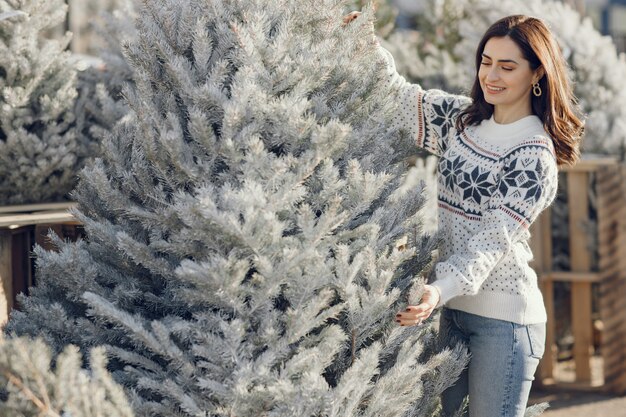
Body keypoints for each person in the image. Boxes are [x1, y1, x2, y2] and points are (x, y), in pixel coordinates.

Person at [345, 12, 584, 417]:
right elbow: (399, 98)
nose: (492, 75)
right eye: (486, 62)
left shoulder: (533, 154)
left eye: (507, 66)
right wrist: (364, 42)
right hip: (451, 312)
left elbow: (492, 240)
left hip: (504, 324)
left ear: (537, 74)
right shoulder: (463, 122)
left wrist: (439, 289)